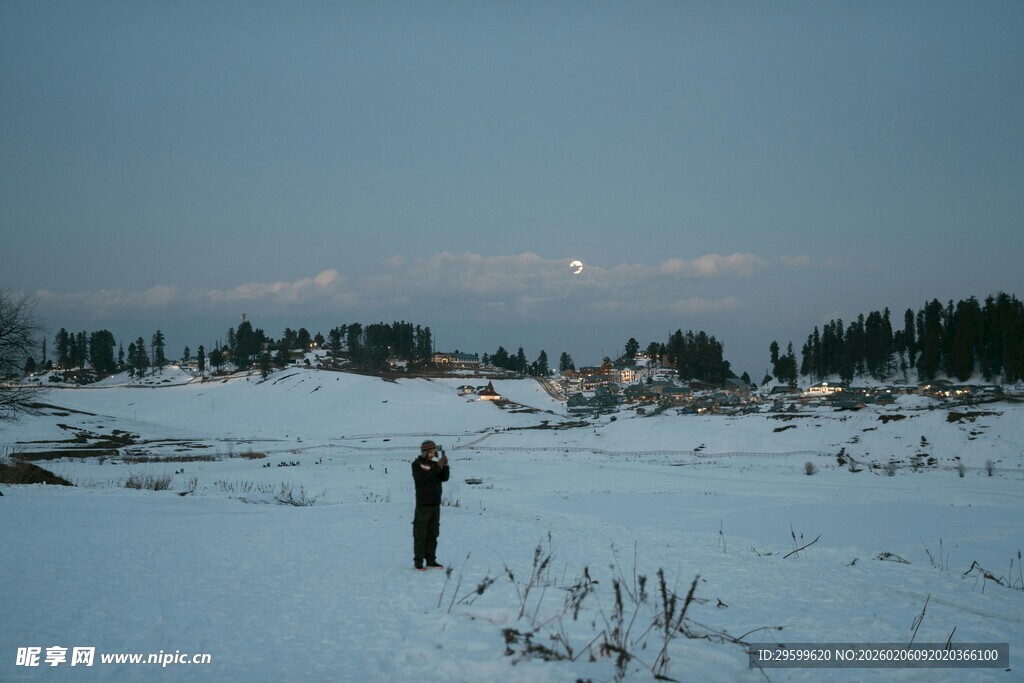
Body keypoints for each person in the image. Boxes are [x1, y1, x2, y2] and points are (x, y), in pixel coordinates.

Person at [411, 439, 449, 570]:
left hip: (435, 505)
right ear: (424, 452)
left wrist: (445, 466)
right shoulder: (417, 465)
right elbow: (425, 477)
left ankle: (431, 560)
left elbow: (444, 478)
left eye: (434, 452)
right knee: (420, 535)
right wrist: (438, 465)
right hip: (423, 506)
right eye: (430, 452)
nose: (432, 454)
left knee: (433, 534)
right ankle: (418, 563)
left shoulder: (434, 465)